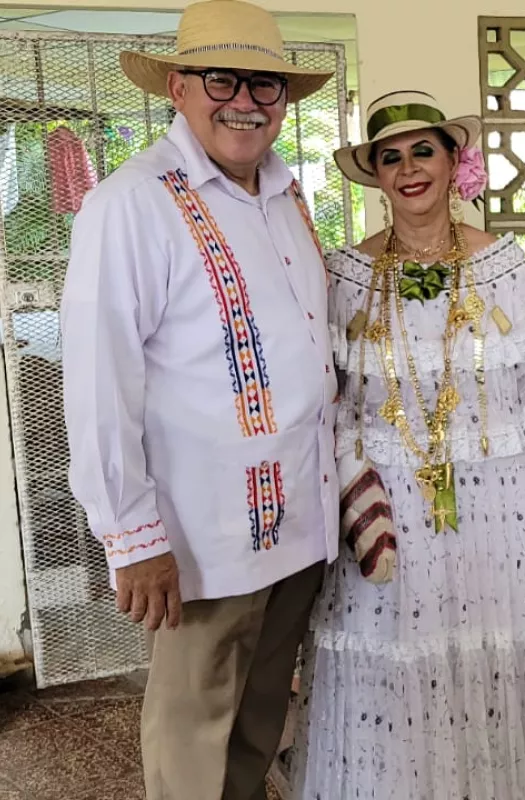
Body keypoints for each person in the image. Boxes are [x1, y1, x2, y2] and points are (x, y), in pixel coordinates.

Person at [285, 90, 525, 799]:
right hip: (392, 509)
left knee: (510, 667)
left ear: (451, 161)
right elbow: (331, 402)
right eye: (390, 156)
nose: (409, 169)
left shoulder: (507, 266)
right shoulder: (344, 275)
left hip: (508, 500)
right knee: (406, 679)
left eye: (423, 151)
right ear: (375, 174)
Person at [59, 1, 338, 798]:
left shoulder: (288, 197)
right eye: (223, 79)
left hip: (299, 521)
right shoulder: (133, 202)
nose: (244, 100)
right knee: (192, 738)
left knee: (257, 727)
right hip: (202, 537)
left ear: (285, 101)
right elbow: (99, 383)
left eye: (265, 84)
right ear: (178, 89)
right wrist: (132, 534)